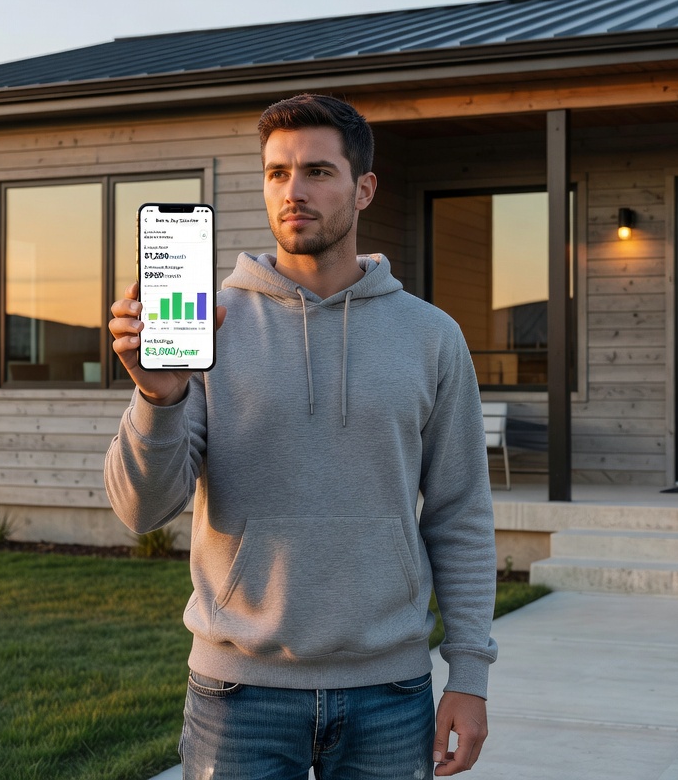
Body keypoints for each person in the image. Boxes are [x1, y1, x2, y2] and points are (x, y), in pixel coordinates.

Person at [104, 93, 498, 779]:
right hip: (238, 694)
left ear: (364, 188)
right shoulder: (208, 325)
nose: (294, 191)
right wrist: (155, 396)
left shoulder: (432, 337)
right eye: (277, 173)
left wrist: (469, 673)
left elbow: (461, 511)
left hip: (391, 690)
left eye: (317, 171)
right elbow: (139, 510)